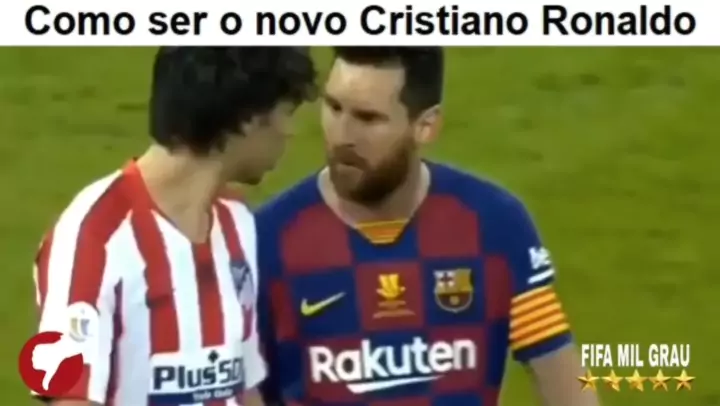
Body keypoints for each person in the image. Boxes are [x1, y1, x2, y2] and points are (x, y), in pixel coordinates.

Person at [255, 47, 599, 406]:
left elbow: (563, 381)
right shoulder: (267, 240)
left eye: (368, 118)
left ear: (425, 126)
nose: (342, 136)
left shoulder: (494, 225)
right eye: (334, 107)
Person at [31, 47, 316, 406]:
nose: (290, 132)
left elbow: (241, 386)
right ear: (248, 120)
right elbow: (68, 397)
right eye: (286, 114)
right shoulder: (92, 236)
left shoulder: (237, 221)